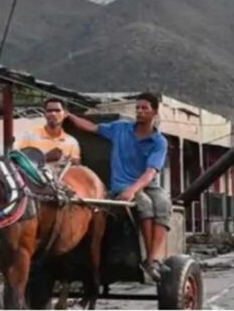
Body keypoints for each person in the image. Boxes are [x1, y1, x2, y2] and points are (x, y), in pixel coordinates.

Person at [67, 92, 170, 280]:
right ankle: (148, 260)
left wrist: (133, 190)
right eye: (137, 108)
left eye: (144, 108)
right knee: (145, 204)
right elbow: (92, 128)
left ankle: (154, 258)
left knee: (163, 203)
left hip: (146, 184)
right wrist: (68, 115)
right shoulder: (120, 129)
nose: (139, 111)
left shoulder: (159, 141)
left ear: (154, 112)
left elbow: (151, 172)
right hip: (121, 185)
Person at [16, 98, 81, 173]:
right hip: (35, 182)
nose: (53, 114)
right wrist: (45, 157)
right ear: (44, 114)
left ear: (65, 114)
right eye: (49, 111)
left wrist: (67, 161)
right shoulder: (30, 135)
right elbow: (20, 162)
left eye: (57, 110)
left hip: (61, 183)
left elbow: (76, 169)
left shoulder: (71, 142)